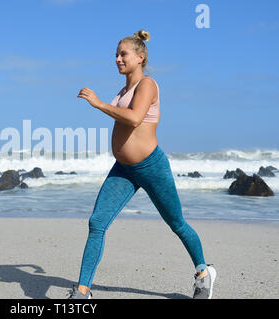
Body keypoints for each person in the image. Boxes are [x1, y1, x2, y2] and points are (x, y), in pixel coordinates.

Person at [68, 30, 216, 299]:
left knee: (177, 223)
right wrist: (103, 105)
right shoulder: (123, 90)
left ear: (140, 57)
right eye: (115, 54)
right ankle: (82, 291)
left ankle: (203, 274)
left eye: (122, 54)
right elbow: (121, 115)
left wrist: (99, 103)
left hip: (151, 167)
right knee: (97, 222)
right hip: (123, 170)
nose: (117, 59)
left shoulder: (147, 85)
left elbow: (135, 118)